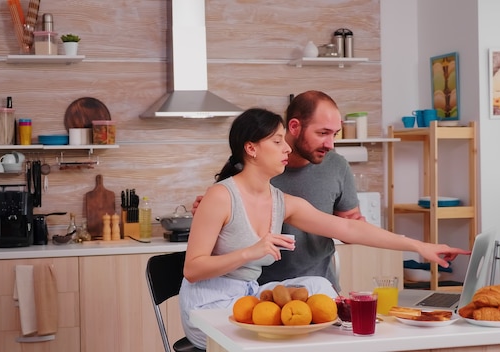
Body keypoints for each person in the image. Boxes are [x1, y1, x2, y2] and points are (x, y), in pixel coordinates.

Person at [179, 107, 469, 349]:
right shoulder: (220, 196)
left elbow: (349, 229)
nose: (287, 148)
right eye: (278, 141)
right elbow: (192, 269)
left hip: (247, 299)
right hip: (208, 308)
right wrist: (249, 253)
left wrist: (421, 247)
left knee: (319, 286)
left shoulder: (282, 201)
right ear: (251, 148)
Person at [192, 90, 363, 291]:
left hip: (318, 286)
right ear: (295, 126)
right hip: (261, 290)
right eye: (323, 133)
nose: (330, 144)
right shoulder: (249, 172)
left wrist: (362, 229)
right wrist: (209, 213)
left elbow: (350, 225)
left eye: (334, 134)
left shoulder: (336, 166)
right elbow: (205, 255)